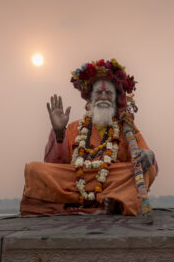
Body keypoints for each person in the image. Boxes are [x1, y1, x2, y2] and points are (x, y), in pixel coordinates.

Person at [20, 59, 157, 215]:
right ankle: (110, 200)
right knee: (34, 169)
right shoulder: (73, 128)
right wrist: (58, 133)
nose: (103, 96)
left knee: (147, 170)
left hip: (111, 181)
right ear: (90, 100)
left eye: (108, 93)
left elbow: (142, 156)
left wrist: (148, 155)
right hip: (75, 181)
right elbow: (55, 164)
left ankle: (113, 199)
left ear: (115, 99)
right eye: (98, 92)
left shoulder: (126, 128)